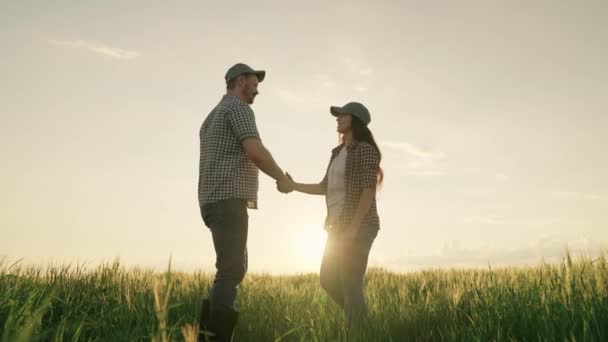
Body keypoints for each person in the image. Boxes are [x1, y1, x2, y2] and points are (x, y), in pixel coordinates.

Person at [197, 63, 294, 341]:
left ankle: (204, 334)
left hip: (211, 200)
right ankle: (215, 338)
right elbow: (255, 151)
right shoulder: (239, 109)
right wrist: (281, 178)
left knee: (230, 268)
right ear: (241, 81)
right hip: (228, 199)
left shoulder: (212, 115)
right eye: (255, 82)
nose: (257, 89)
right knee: (231, 269)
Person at [286, 102, 383, 329]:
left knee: (350, 281)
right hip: (336, 227)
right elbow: (324, 187)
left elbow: (368, 191)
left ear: (355, 120)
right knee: (328, 279)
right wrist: (293, 185)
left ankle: (358, 329)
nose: (337, 118)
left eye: (342, 114)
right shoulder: (337, 153)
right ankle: (361, 321)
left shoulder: (366, 150)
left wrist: (353, 229)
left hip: (360, 225)